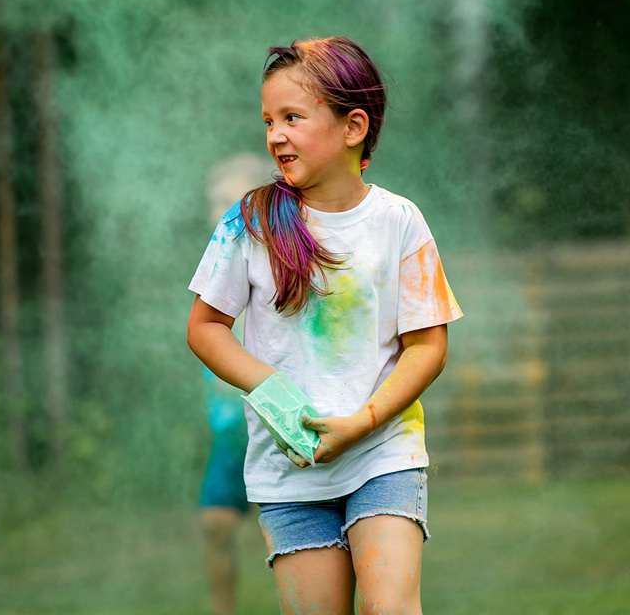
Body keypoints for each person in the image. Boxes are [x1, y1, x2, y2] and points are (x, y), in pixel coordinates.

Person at [186, 37, 462, 615]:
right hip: (290, 470)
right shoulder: (250, 222)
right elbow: (206, 325)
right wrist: (269, 387)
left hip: (383, 451)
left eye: (292, 117)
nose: (274, 134)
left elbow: (428, 346)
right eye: (268, 120)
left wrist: (361, 422)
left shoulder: (399, 221)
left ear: (352, 126)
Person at [199, 153, 269, 615]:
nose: (224, 211)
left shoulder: (272, 262)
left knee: (289, 529)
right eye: (216, 202)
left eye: (235, 201)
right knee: (215, 525)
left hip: (273, 422)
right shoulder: (215, 263)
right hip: (230, 430)